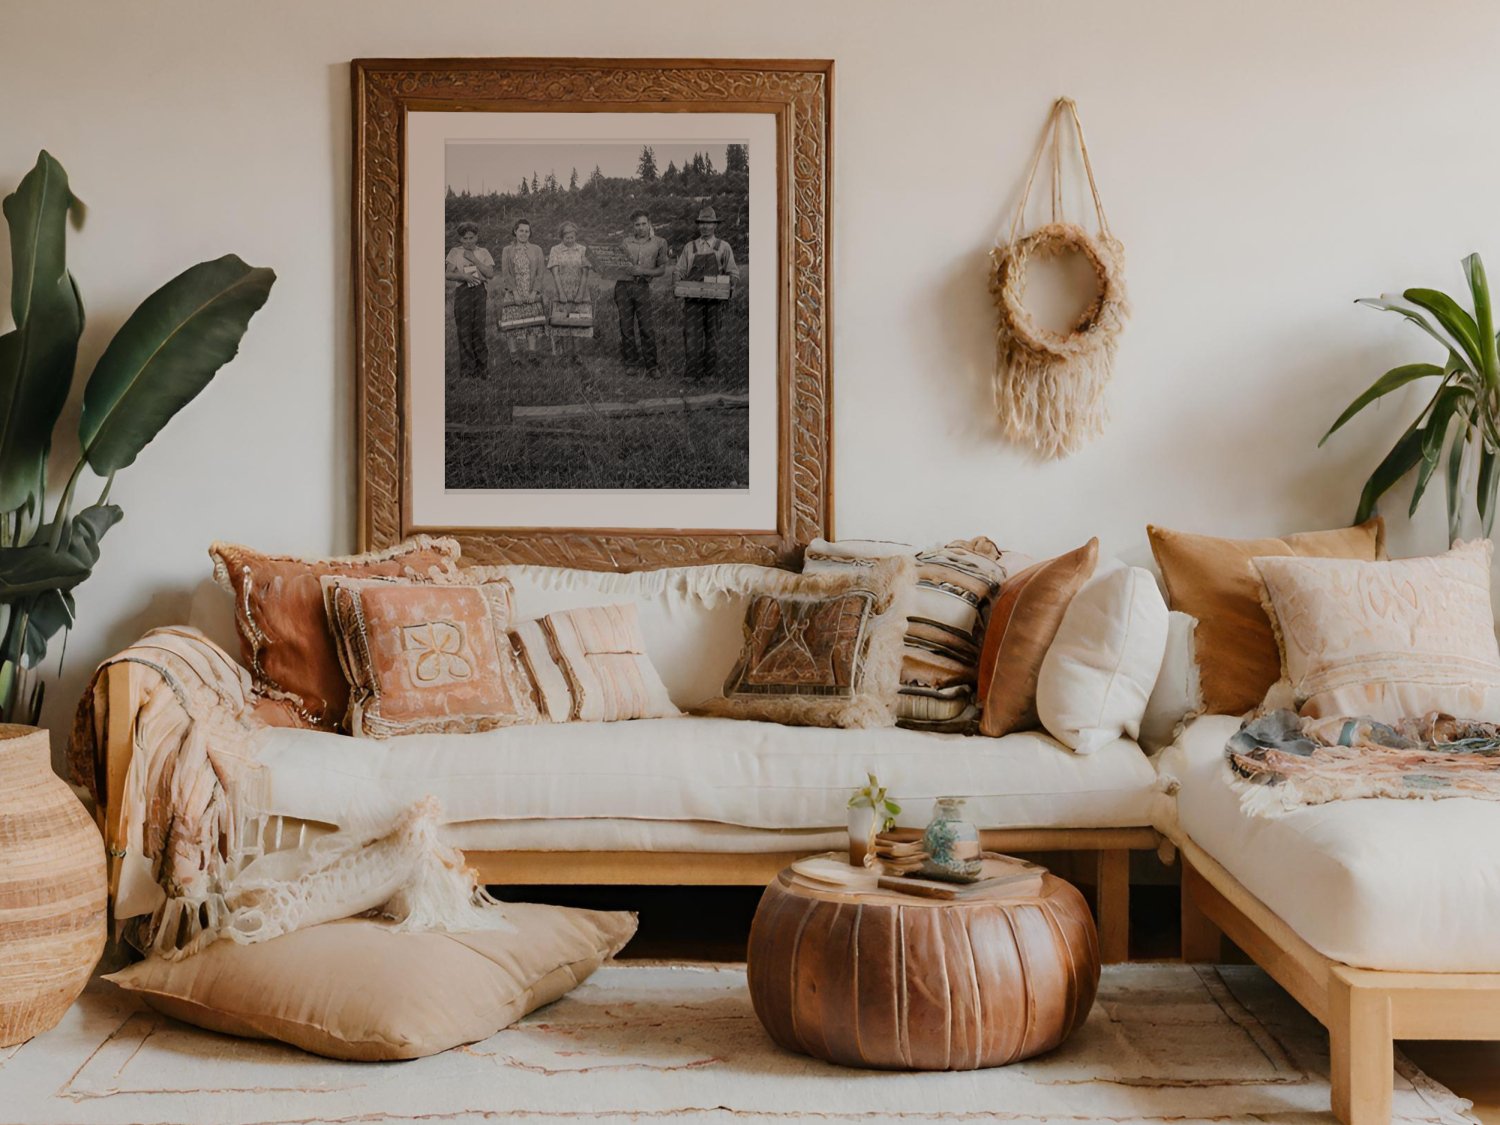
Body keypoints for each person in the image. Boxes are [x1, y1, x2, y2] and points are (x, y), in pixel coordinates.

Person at [674, 206, 741, 383]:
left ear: (715, 226)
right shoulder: (690, 247)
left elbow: (733, 272)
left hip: (715, 300)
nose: (705, 227)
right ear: (698, 225)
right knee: (692, 335)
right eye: (702, 223)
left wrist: (730, 287)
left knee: (712, 336)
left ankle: (710, 375)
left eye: (709, 223)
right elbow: (679, 270)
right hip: (693, 300)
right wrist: (677, 281)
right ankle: (691, 374)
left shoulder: (723, 247)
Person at [615, 209, 670, 378]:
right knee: (626, 327)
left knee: (646, 327)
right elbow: (616, 263)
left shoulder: (660, 243)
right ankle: (631, 362)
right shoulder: (625, 243)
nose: (640, 228)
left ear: (650, 224)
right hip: (623, 287)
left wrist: (643, 271)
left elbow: (661, 270)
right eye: (637, 225)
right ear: (633, 226)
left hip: (642, 287)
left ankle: (652, 366)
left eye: (643, 224)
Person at [444, 221, 494, 379]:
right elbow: (448, 274)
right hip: (463, 292)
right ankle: (468, 371)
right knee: (464, 331)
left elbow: (490, 274)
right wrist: (464, 276)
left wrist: (474, 259)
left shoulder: (483, 252)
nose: (468, 241)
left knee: (479, 330)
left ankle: (482, 369)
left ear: (477, 237)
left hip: (479, 291)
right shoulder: (454, 252)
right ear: (460, 239)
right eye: (465, 238)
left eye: (471, 237)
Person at [546, 221, 596, 357]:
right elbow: (555, 273)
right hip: (561, 289)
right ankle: (560, 353)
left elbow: (586, 273)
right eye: (566, 237)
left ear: (576, 236)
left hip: (579, 290)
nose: (570, 240)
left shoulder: (583, 250)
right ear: (561, 237)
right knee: (560, 321)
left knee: (578, 322)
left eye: (572, 237)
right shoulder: (555, 250)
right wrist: (561, 293)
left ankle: (577, 354)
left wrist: (580, 294)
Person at [498, 218, 546, 359]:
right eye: (521, 231)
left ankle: (532, 356)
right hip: (513, 292)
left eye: (527, 231)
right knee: (511, 324)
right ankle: (514, 357)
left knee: (532, 324)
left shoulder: (537, 250)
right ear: (515, 231)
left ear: (530, 233)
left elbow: (540, 273)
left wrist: (534, 292)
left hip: (531, 291)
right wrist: (515, 293)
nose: (524, 234)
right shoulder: (507, 250)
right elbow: (506, 273)